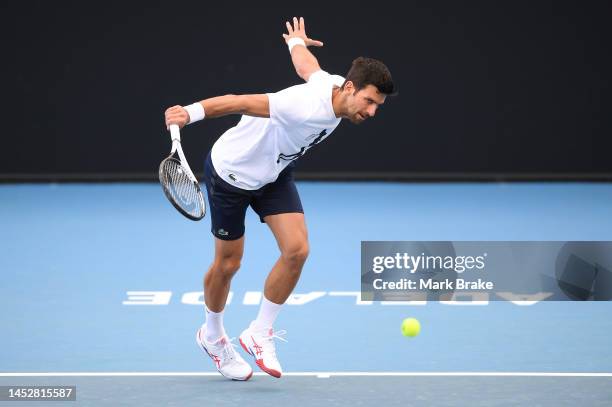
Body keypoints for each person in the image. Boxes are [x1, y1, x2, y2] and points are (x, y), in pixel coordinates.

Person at [164, 17, 395, 381]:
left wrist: (295, 43)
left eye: (377, 105)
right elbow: (238, 101)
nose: (371, 111)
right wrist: (190, 113)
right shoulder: (301, 106)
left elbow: (310, 68)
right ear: (350, 88)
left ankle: (258, 332)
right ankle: (212, 336)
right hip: (232, 175)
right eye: (369, 101)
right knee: (228, 265)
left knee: (297, 250)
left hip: (274, 173)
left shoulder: (333, 86)